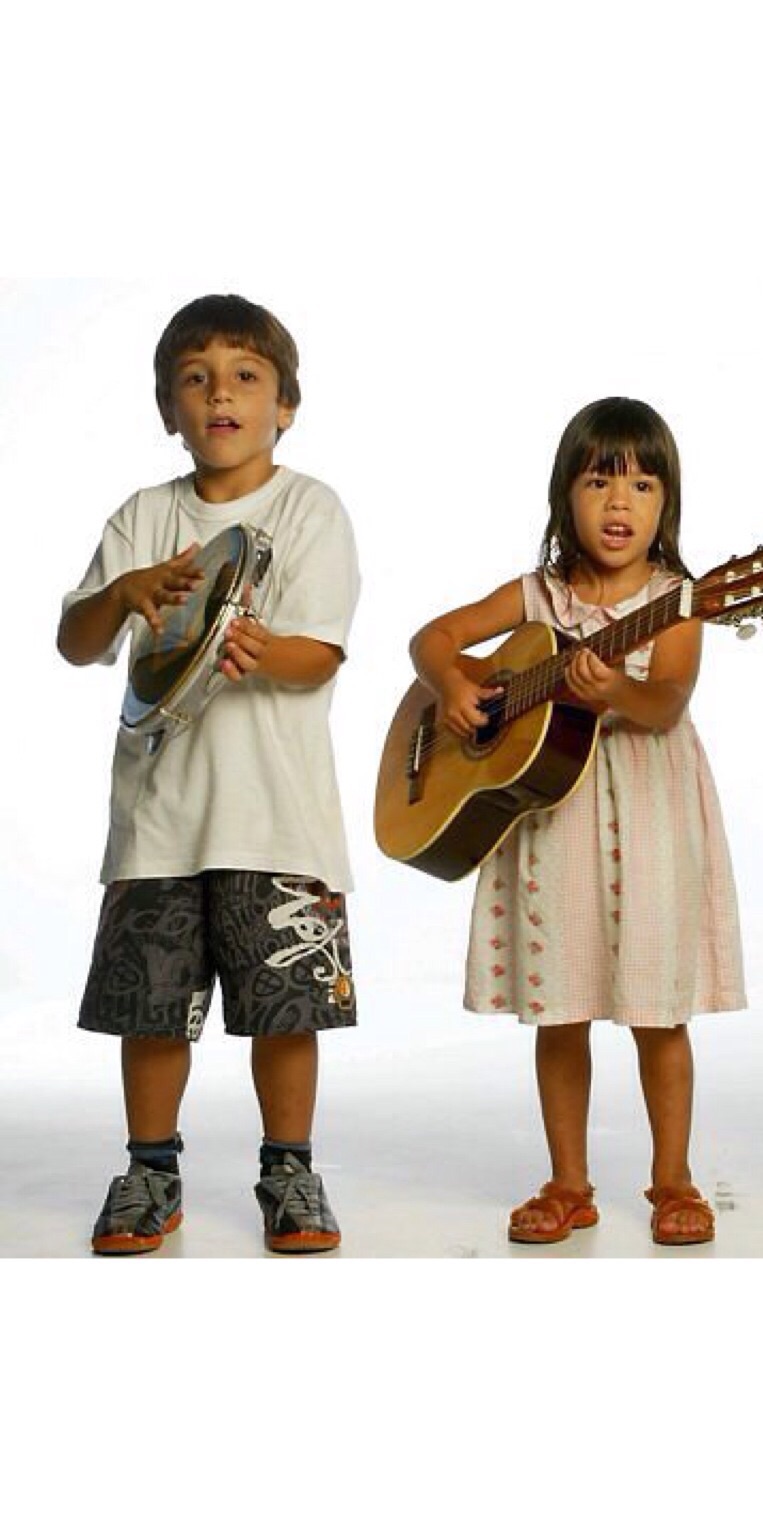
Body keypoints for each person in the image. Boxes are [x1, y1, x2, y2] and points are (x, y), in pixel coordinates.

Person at [58, 294, 361, 1255]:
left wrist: (256, 650)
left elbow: (321, 654)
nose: (220, 394)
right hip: (159, 820)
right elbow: (75, 643)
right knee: (152, 1012)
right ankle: (150, 1170)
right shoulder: (143, 518)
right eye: (195, 380)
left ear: (285, 404)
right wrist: (122, 593)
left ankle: (290, 1170)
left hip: (277, 817)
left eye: (244, 376)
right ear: (168, 409)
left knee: (285, 1013)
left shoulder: (310, 509)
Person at [409, 397, 745, 1246]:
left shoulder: (679, 601)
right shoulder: (537, 595)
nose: (620, 502)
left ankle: (674, 1180)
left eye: (642, 484)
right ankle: (568, 1180)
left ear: (668, 503)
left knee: (658, 1010)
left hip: (648, 811)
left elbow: (666, 704)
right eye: (599, 482)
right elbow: (433, 638)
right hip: (551, 818)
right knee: (559, 1006)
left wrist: (617, 690)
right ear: (565, 495)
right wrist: (453, 686)